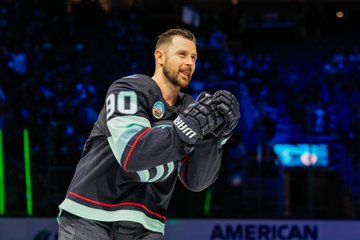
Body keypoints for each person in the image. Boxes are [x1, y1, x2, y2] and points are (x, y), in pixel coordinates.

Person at [57, 28, 240, 240]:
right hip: (90, 216)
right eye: (182, 54)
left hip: (147, 225)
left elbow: (197, 181)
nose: (190, 63)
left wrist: (213, 138)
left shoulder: (190, 108)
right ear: (159, 57)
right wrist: (189, 127)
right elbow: (132, 154)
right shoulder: (128, 88)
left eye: (194, 57)